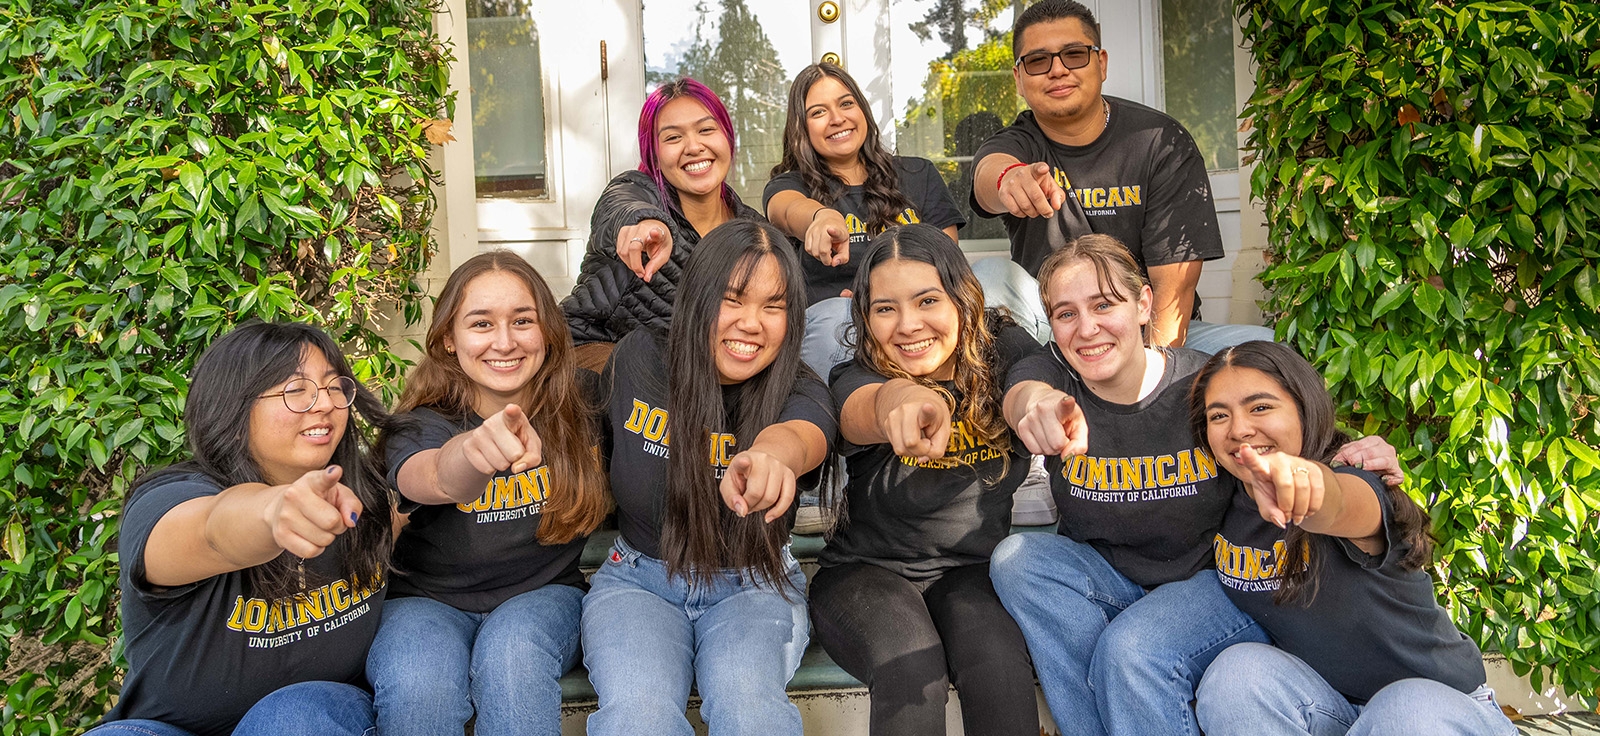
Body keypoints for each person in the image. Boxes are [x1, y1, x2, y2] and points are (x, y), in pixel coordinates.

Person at [989, 235, 1402, 736]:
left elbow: (1284, 433)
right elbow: (1024, 391)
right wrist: (1035, 407)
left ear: (1143, 304)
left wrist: (1351, 455)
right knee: (1018, 560)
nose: (1087, 328)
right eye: (1065, 314)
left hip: (1215, 584)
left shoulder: (1202, 387)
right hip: (1110, 576)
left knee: (1133, 648)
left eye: (1104, 304)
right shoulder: (1056, 381)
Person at [580, 218, 838, 736]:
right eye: (733, 298)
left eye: (774, 306)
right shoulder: (639, 360)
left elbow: (801, 437)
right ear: (697, 297)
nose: (751, 323)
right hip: (639, 581)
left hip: (755, 584)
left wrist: (769, 457)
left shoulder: (799, 390)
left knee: (750, 712)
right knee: (637, 718)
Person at [1190, 341, 1515, 736]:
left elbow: (1339, 503)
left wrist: (1300, 480)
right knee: (1237, 674)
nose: (1239, 428)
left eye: (1260, 407)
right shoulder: (1222, 497)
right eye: (1219, 415)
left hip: (1438, 713)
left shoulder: (1357, 477)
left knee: (1405, 708)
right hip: (1332, 708)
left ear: (1304, 408)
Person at [92, 322, 395, 736]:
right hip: (168, 728)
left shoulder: (369, 498)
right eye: (296, 390)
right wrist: (274, 512)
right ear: (233, 406)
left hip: (313, 720)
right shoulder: (169, 499)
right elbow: (214, 530)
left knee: (290, 718)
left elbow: (441, 482)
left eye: (333, 386)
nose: (324, 403)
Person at [809, 224, 1043, 736]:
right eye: (885, 308)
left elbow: (1029, 385)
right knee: (911, 664)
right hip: (865, 574)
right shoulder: (860, 373)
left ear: (962, 299)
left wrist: (1037, 405)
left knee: (1000, 668)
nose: (908, 325)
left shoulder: (1004, 350)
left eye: (927, 300)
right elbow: (861, 410)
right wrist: (906, 401)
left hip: (972, 572)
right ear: (866, 319)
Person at [366, 252, 610, 736]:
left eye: (523, 321)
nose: (505, 341)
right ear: (448, 341)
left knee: (513, 657)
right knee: (420, 682)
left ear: (549, 334)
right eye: (481, 324)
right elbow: (433, 477)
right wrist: (474, 453)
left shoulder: (583, 404)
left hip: (544, 596)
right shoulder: (420, 425)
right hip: (425, 601)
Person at [967, 0, 1272, 354]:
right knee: (987, 278)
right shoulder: (1018, 142)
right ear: (1019, 80)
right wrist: (1009, 178)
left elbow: (1173, 293)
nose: (1057, 70)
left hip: (1146, 332)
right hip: (1053, 333)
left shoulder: (1159, 141)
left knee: (1272, 350)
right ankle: (1041, 383)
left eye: (1074, 54)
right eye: (1038, 61)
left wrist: (1151, 381)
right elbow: (989, 174)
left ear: (1101, 63)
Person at [764, 62, 966, 380]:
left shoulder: (918, 174)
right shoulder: (791, 185)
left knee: (995, 276)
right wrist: (820, 217)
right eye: (818, 113)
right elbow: (785, 210)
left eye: (846, 103)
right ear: (801, 128)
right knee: (838, 316)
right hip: (843, 329)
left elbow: (949, 265)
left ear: (863, 110)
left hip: (919, 319)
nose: (837, 119)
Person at [561, 77, 761, 372]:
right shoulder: (636, 190)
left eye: (706, 130)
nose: (694, 147)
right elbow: (621, 205)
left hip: (698, 369)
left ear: (728, 138)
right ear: (653, 153)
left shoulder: (753, 229)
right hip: (596, 350)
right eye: (673, 137)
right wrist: (646, 225)